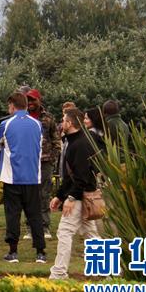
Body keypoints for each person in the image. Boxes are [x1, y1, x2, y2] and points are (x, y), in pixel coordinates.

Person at [49, 107, 100, 279]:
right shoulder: (78, 141)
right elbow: (74, 175)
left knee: (65, 232)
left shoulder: (78, 144)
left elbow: (81, 176)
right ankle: (108, 271)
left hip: (80, 196)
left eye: (63, 119)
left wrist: (70, 198)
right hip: (83, 195)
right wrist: (60, 195)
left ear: (69, 123)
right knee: (91, 236)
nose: (62, 122)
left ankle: (58, 273)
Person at [0, 91, 46, 263]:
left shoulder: (6, 124)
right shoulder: (38, 124)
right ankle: (40, 252)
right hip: (33, 177)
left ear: (12, 105)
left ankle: (13, 252)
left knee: (13, 215)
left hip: (12, 178)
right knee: (35, 216)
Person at [24, 89, 60, 240]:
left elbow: (56, 139)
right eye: (28, 100)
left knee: (44, 194)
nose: (31, 103)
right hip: (27, 161)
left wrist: (53, 158)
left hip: (45, 161)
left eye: (33, 100)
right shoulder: (22, 117)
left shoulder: (48, 118)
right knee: (29, 194)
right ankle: (29, 227)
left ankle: (44, 227)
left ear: (39, 101)